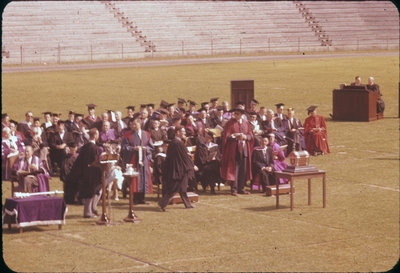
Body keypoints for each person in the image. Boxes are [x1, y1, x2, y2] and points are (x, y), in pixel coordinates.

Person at [158, 126, 196, 211]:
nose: (184, 133)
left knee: (183, 188)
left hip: (178, 168)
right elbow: (184, 157)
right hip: (178, 170)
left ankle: (188, 204)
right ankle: (162, 203)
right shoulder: (177, 143)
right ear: (177, 132)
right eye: (182, 131)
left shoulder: (176, 142)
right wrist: (192, 166)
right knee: (173, 189)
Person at [68, 128, 102, 216]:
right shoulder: (93, 147)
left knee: (95, 191)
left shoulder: (85, 146)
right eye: (97, 134)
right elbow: (94, 161)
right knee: (92, 191)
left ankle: (92, 209)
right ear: (95, 136)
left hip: (85, 173)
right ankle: (88, 212)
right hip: (91, 173)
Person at [220, 108, 254, 196]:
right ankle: (234, 189)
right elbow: (226, 137)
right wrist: (235, 136)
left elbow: (250, 135)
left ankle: (241, 188)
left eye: (237, 114)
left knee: (243, 168)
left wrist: (245, 137)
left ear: (242, 114)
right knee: (234, 169)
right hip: (234, 149)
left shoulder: (246, 123)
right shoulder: (230, 123)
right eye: (235, 113)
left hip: (244, 148)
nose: (236, 115)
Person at [121, 116, 153, 204]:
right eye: (133, 124)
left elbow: (151, 147)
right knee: (135, 179)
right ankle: (134, 199)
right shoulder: (128, 135)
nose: (133, 126)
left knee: (143, 178)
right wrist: (133, 148)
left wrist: (145, 148)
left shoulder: (146, 134)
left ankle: (142, 199)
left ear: (140, 124)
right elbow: (124, 147)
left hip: (144, 160)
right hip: (133, 159)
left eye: (135, 124)